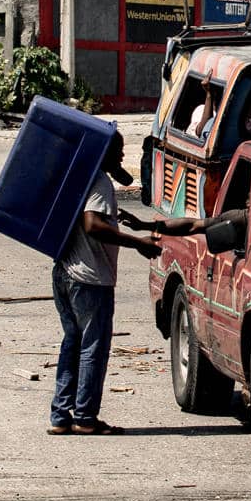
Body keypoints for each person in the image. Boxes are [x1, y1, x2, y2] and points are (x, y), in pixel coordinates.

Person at [46, 131, 162, 436]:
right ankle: (84, 417)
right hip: (90, 277)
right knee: (93, 347)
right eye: (117, 151)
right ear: (102, 152)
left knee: (72, 344)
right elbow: (93, 225)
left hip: (64, 272)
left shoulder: (79, 176)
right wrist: (136, 243)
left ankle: (61, 415)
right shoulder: (99, 182)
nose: (122, 157)